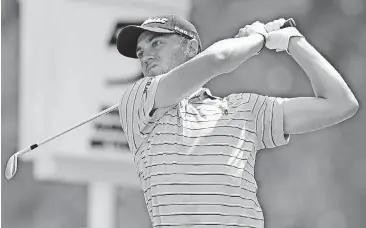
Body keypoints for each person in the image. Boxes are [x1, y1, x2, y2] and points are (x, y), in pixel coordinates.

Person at [116, 15, 359, 228]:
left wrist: (293, 41)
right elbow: (219, 58)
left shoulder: (242, 109)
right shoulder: (139, 101)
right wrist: (258, 38)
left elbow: (340, 104)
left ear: (190, 48)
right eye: (140, 53)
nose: (146, 56)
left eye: (156, 43)